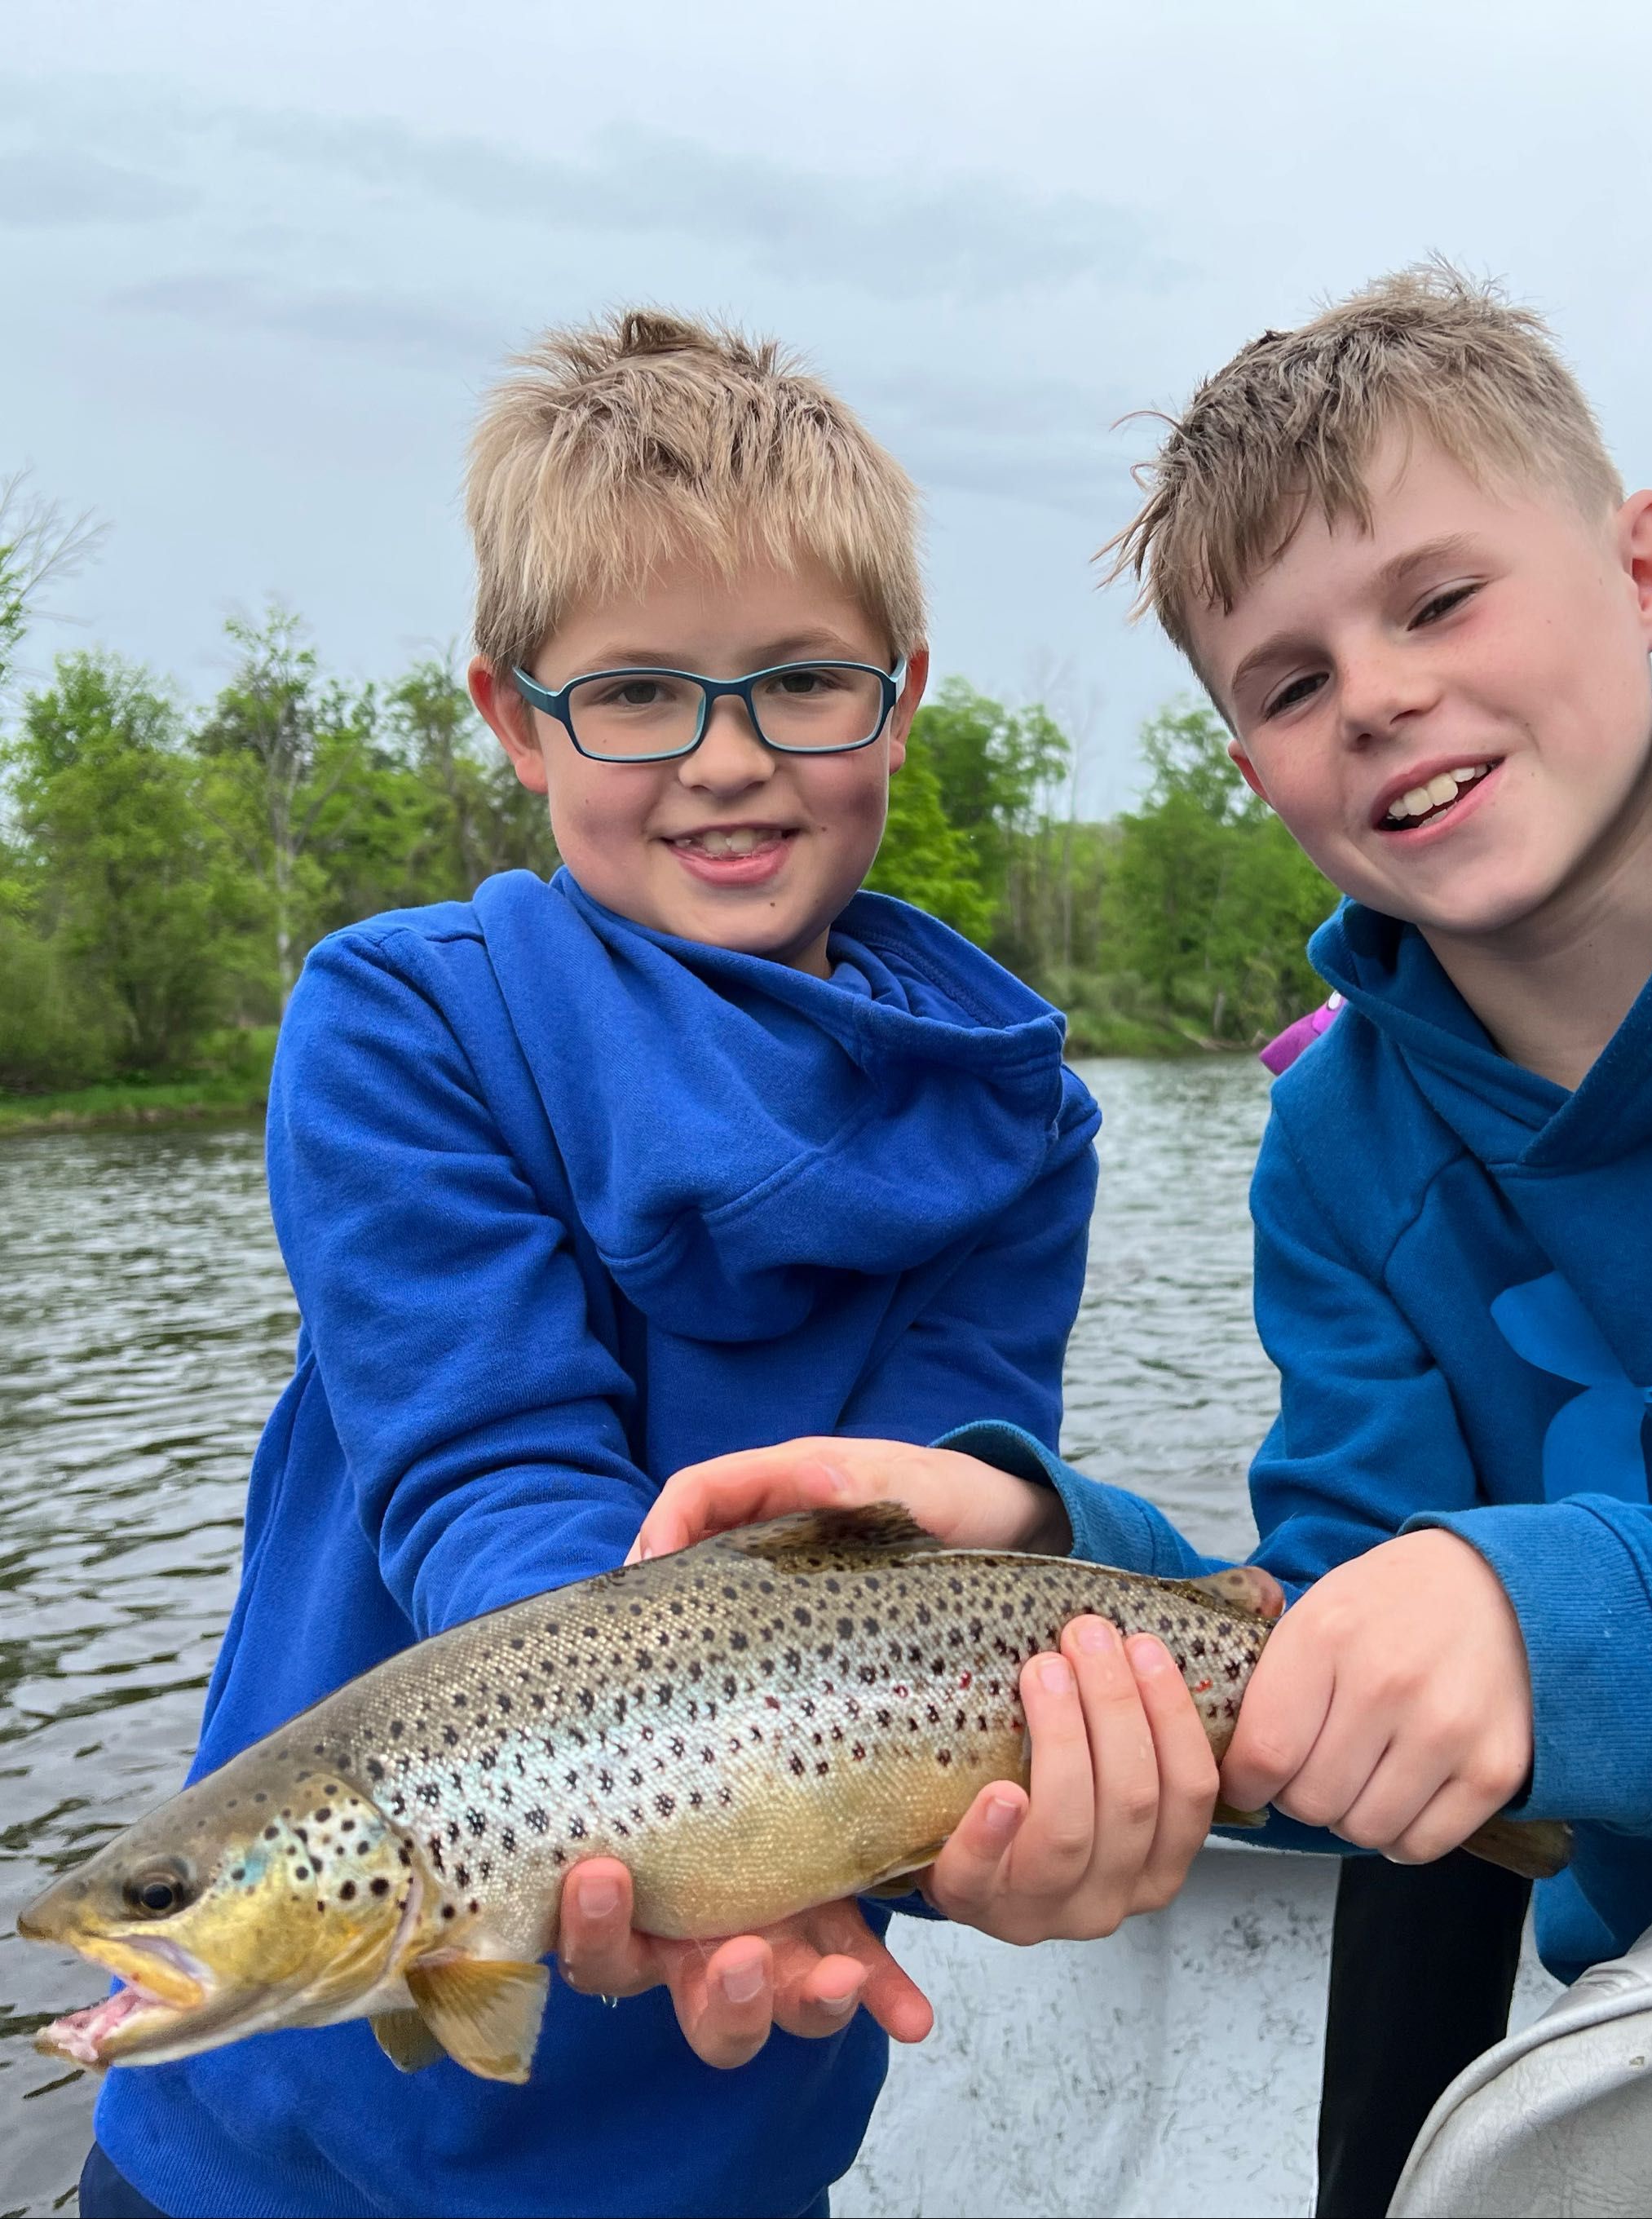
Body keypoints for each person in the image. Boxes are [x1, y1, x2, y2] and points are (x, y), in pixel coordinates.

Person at [83, 311, 1226, 2219]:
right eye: (634, 693)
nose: (726, 757)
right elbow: (489, 1466)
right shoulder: (401, 1026)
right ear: (513, 717)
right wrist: (619, 1805)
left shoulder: (1025, 1130)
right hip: (285, 2148)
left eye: (798, 680)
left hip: (737, 2114)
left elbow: (930, 1566)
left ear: (901, 694)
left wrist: (1012, 1812)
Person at [629, 263, 1652, 2212]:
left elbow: (1517, 1622)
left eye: (1442, 598)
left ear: (1645, 569)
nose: (1376, 692)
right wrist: (1046, 1554)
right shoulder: (1329, 1156)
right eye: (1288, 682)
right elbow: (1331, 1621)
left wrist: (1560, 1615)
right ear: (1253, 770)